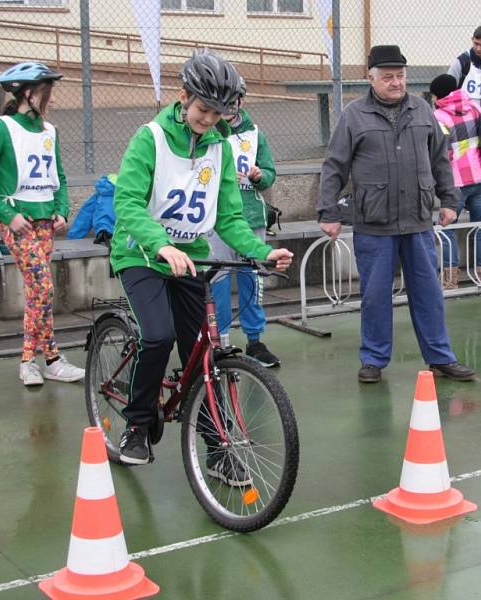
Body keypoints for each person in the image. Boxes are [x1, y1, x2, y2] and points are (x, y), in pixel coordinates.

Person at [110, 49, 293, 471]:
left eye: (217, 113)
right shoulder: (149, 138)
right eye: (203, 109)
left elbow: (228, 218)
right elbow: (129, 204)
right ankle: (136, 427)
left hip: (189, 257)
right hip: (141, 253)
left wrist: (263, 251)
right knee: (158, 336)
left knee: (201, 350)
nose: (208, 119)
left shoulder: (220, 149)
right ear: (183, 96)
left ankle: (216, 449)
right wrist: (162, 245)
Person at [317, 44, 476, 384]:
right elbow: (334, 166)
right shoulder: (354, 115)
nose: (396, 83)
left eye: (400, 76)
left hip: (417, 220)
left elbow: (440, 160)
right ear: (370, 78)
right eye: (387, 77)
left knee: (428, 294)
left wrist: (449, 199)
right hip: (374, 224)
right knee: (376, 297)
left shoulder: (422, 110)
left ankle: (440, 357)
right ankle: (373, 359)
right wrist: (328, 212)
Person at [0, 62, 85, 387]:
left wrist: (62, 209)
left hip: (46, 222)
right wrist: (8, 216)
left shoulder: (50, 131)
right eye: (47, 92)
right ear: (29, 93)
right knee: (44, 288)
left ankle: (50, 361)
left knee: (38, 292)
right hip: (19, 223)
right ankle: (30, 360)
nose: (51, 100)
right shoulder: (2, 128)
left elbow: (58, 176)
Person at [208, 80, 280, 368]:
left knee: (252, 279)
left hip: (251, 216)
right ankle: (220, 340)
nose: (225, 108)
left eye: (231, 101)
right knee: (218, 279)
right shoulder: (208, 131)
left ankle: (254, 340)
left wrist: (259, 175)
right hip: (215, 219)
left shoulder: (255, 134)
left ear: (241, 101)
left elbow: (270, 173)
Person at [429, 73, 481, 287]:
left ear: (437, 95)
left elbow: (441, 150)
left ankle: (450, 279)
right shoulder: (473, 107)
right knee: (480, 227)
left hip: (455, 181)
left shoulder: (439, 116)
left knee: (448, 230)